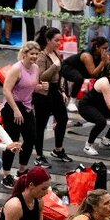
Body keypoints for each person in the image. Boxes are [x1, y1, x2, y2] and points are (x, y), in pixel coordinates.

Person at [0, 42, 43, 188]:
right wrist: (15, 110)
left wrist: (41, 87)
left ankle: (22, 170)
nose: (34, 57)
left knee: (31, 137)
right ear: (24, 54)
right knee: (13, 140)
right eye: (32, 54)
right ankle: (6, 174)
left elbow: (31, 85)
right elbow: (6, 90)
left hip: (27, 105)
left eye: (36, 54)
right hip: (12, 106)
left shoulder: (36, 68)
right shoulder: (16, 69)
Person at [33, 26, 71, 166]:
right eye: (56, 40)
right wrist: (54, 66)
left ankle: (58, 149)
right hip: (43, 92)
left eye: (59, 40)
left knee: (63, 118)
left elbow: (60, 75)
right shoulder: (41, 56)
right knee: (41, 124)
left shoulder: (56, 52)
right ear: (48, 40)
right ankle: (39, 155)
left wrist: (62, 91)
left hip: (54, 89)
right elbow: (41, 76)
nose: (58, 43)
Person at [62, 36, 110, 110]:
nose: (105, 50)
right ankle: (72, 102)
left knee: (104, 78)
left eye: (107, 48)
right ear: (97, 47)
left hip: (82, 70)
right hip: (67, 67)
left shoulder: (102, 55)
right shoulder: (87, 55)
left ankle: (96, 101)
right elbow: (93, 74)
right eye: (103, 48)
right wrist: (102, 62)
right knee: (79, 78)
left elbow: (109, 67)